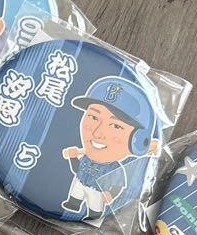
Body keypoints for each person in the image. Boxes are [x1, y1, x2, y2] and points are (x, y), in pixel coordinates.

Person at [60, 76, 159, 219]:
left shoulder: (115, 169)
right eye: (93, 117)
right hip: (80, 183)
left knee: (95, 204)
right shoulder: (86, 157)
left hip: (96, 191)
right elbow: (77, 169)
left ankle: (93, 215)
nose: (97, 133)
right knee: (76, 192)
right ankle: (73, 204)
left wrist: (111, 195)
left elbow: (118, 185)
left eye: (116, 126)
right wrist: (73, 157)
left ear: (137, 142)